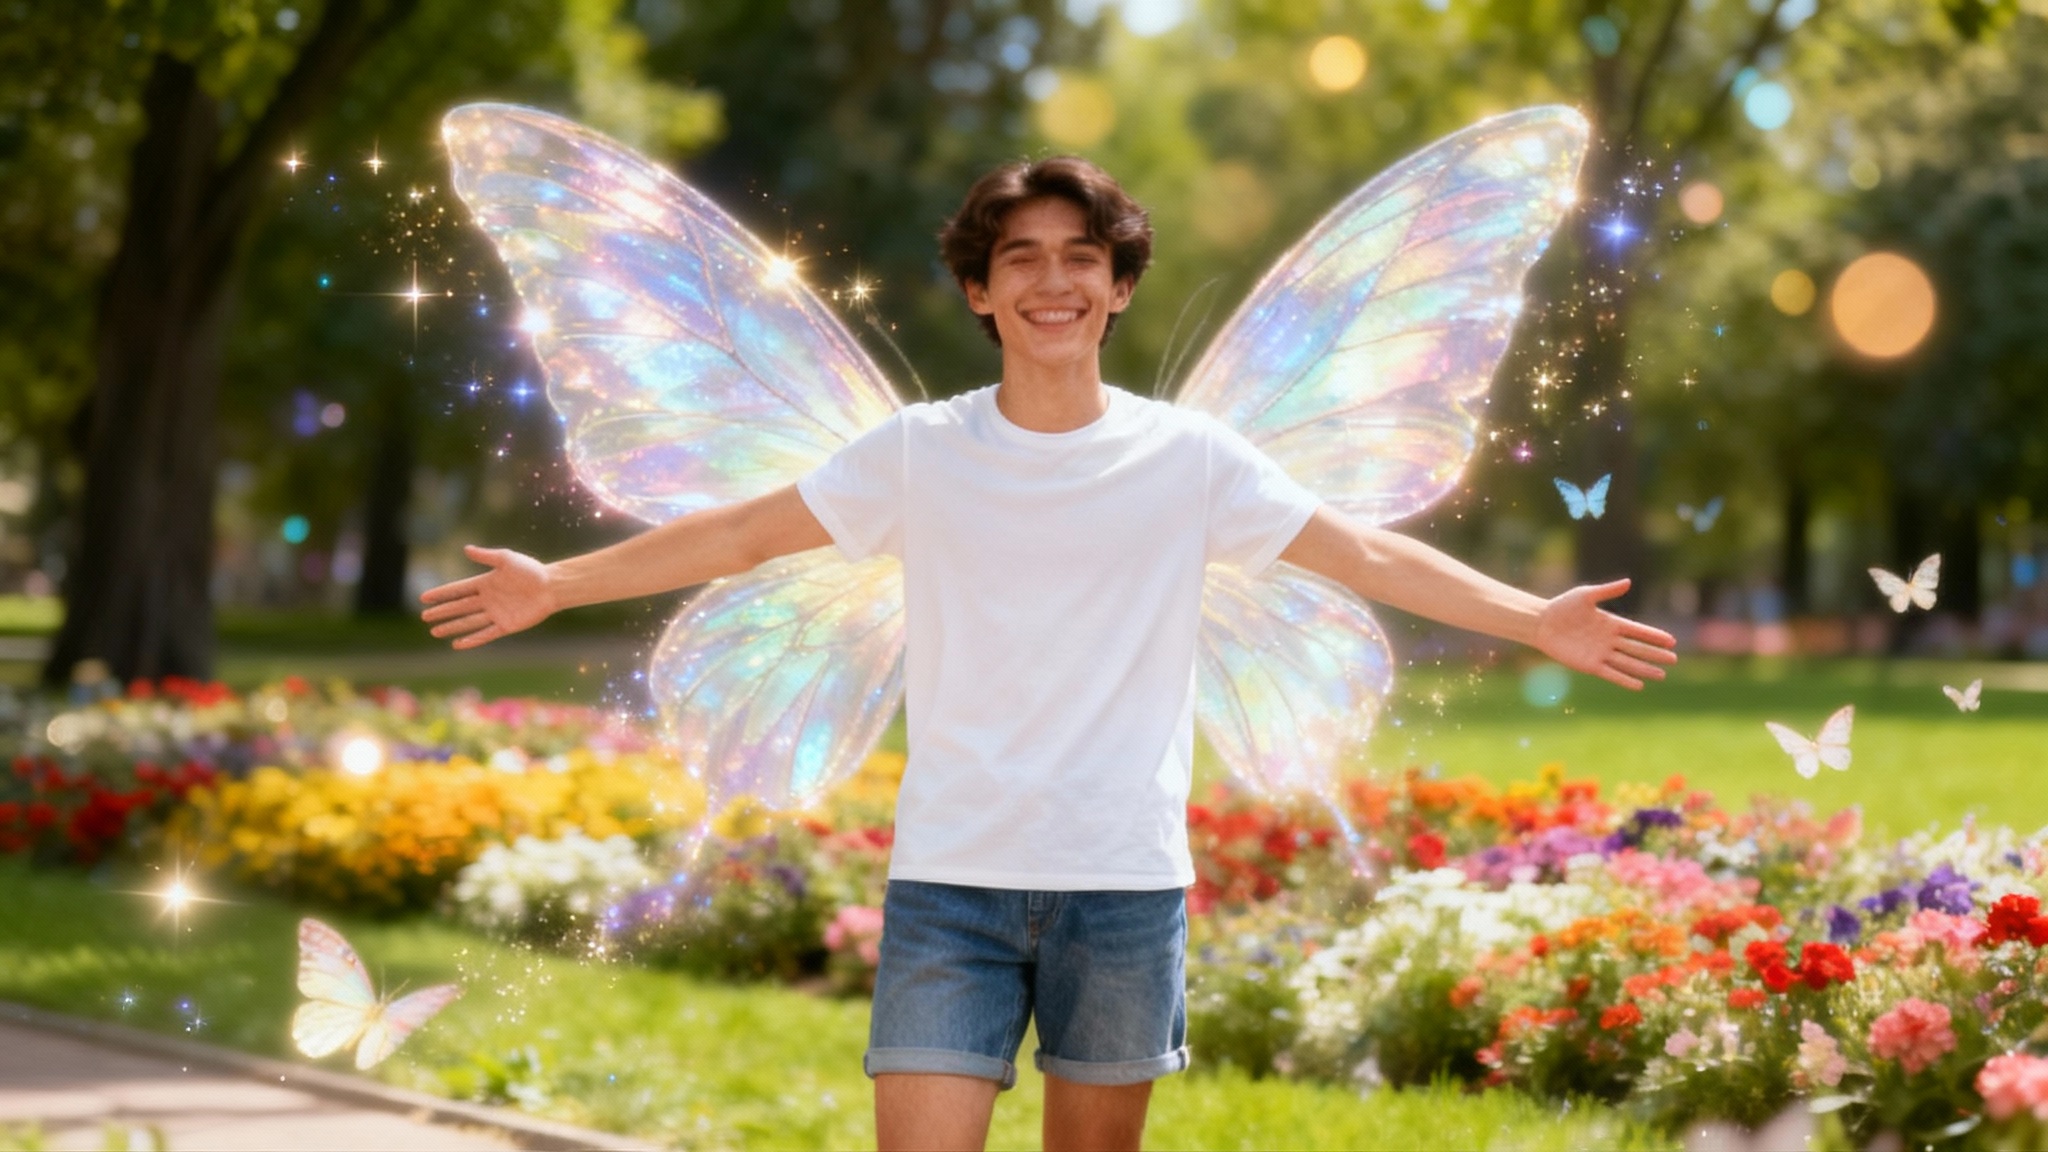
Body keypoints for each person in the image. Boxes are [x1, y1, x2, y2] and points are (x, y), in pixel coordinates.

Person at [420, 156, 1678, 1152]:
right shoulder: (916, 450)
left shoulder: (1190, 458)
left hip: (1120, 888)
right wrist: (556, 584)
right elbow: (749, 531)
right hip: (949, 887)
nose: (1052, 280)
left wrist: (1532, 618)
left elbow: (1363, 556)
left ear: (1119, 285)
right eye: (1018, 258)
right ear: (979, 291)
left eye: (1082, 256)